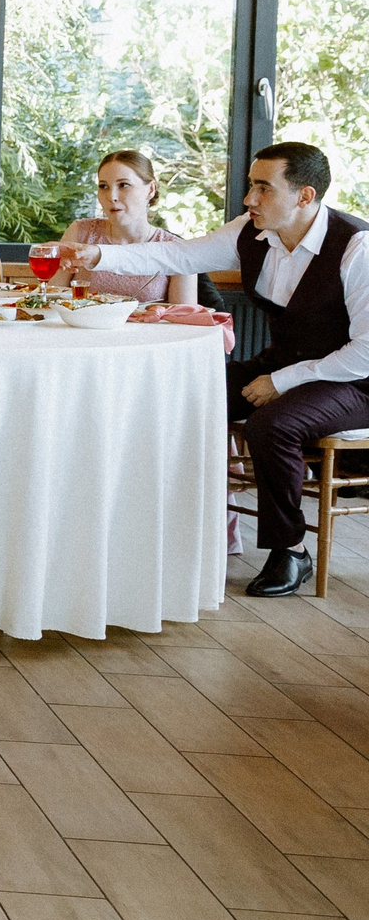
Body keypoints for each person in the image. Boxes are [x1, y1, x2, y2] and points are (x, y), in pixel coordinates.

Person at [68, 141, 369, 597]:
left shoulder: (356, 247)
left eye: (263, 188)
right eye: (251, 186)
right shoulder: (251, 232)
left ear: (305, 196)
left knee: (273, 424)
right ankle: (157, 529)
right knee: (187, 392)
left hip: (354, 379)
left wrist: (281, 381)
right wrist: (97, 257)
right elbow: (178, 256)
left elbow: (365, 351)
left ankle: (290, 551)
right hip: (286, 361)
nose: (249, 200)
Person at [57, 150, 196, 306]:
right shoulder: (80, 232)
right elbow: (50, 299)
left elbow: (185, 320)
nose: (111, 196)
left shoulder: (177, 251)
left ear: (150, 189)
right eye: (104, 186)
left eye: (124, 185)